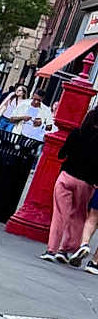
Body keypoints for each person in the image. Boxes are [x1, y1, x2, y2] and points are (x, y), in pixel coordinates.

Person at [43, 98, 98, 264]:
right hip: (85, 183)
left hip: (66, 176)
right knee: (78, 216)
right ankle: (66, 249)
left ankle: (51, 250)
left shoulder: (76, 133)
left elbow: (62, 154)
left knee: (59, 215)